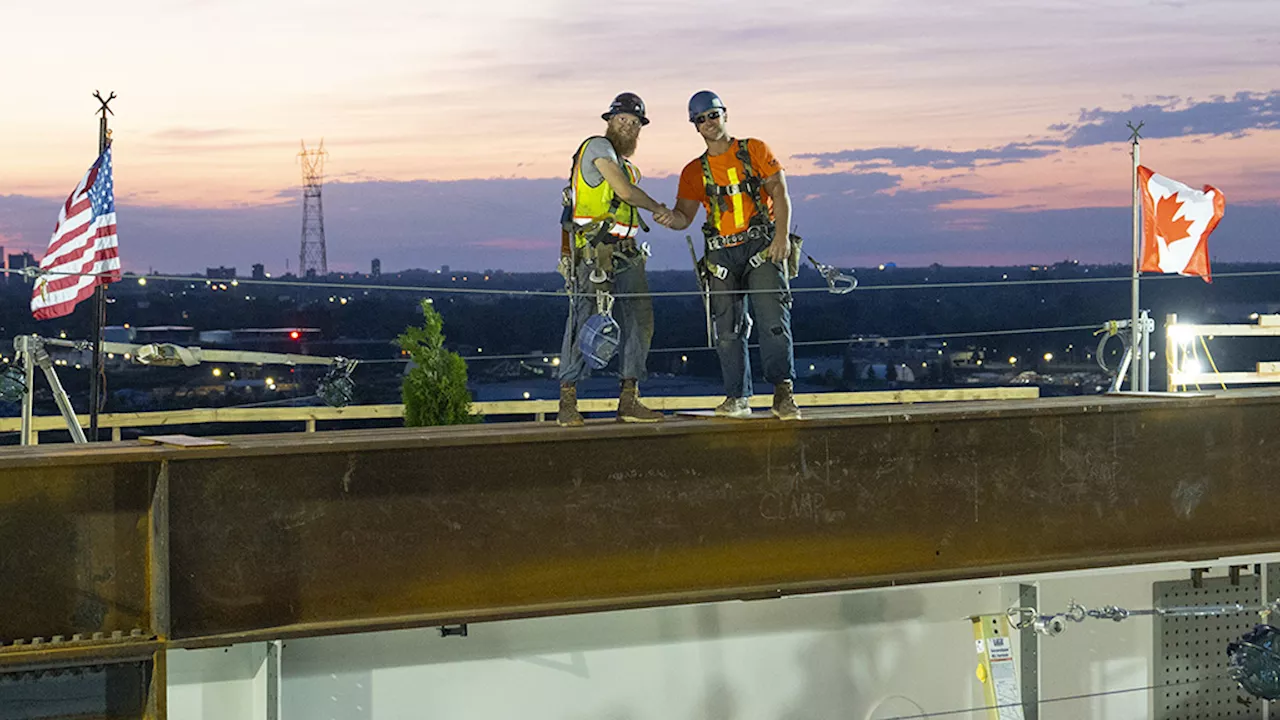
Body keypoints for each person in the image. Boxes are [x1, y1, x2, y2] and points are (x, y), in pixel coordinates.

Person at [661, 90, 800, 420]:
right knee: (728, 329)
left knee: (773, 322)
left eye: (712, 115)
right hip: (722, 255)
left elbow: (779, 191)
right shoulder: (694, 171)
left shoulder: (754, 150)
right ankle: (737, 398)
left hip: (761, 247)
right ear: (694, 126)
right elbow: (684, 217)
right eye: (700, 119)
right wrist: (668, 217)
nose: (708, 123)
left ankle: (783, 394)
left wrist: (781, 237)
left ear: (724, 113)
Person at [556, 92, 673, 427]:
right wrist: (659, 208)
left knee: (639, 321)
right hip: (595, 254)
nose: (629, 126)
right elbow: (623, 192)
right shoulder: (597, 148)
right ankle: (568, 400)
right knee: (584, 322)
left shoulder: (626, 165)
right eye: (622, 120)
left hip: (627, 254)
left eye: (635, 123)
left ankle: (629, 399)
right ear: (608, 121)